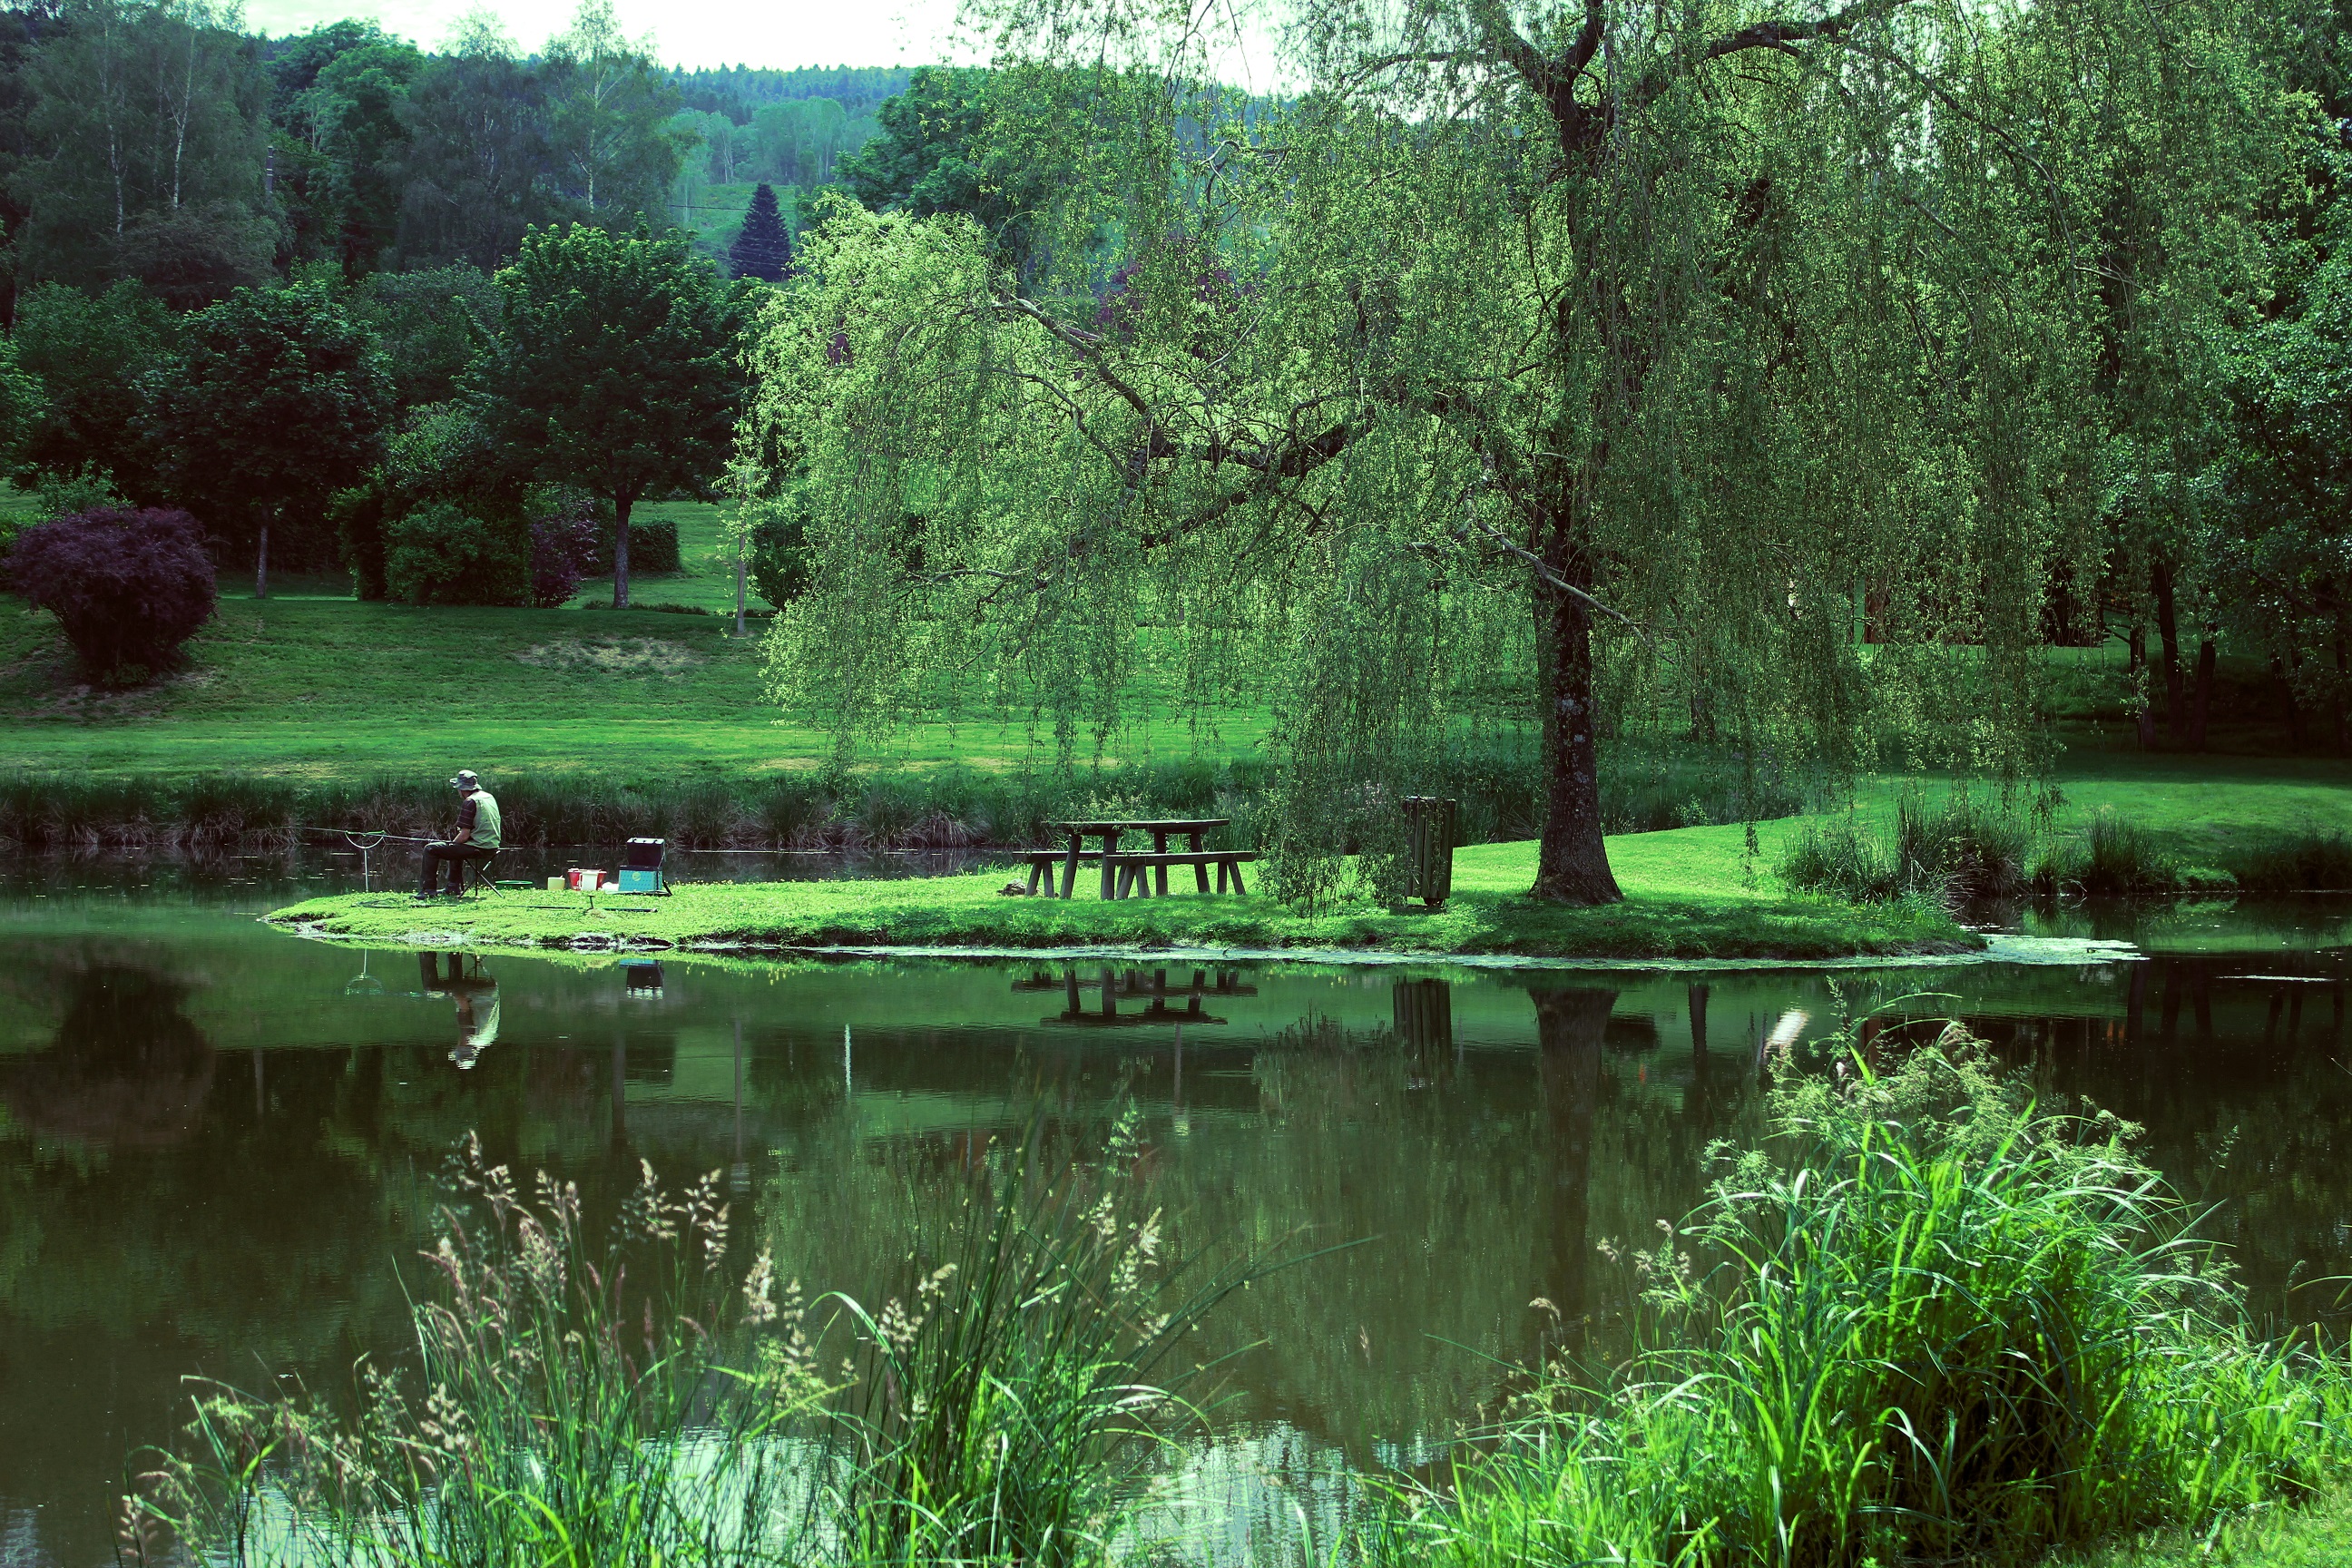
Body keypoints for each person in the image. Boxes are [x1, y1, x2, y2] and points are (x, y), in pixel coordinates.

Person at [417, 769, 503, 897]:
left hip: (478, 847)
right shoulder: (488, 797)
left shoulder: (470, 802)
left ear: (461, 788)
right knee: (455, 847)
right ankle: (452, 887)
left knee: (430, 849)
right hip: (491, 847)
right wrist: (453, 845)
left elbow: (464, 835)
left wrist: (451, 845)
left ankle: (427, 891)